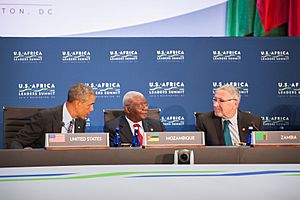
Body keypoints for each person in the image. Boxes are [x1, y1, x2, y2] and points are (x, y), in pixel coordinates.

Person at [9, 83, 96, 149]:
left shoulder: (81, 122)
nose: (92, 109)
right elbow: (16, 142)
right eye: (90, 105)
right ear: (78, 103)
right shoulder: (45, 117)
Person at [196, 84, 263, 146]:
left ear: (235, 104)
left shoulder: (254, 122)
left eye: (221, 101)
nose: (215, 105)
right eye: (215, 100)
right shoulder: (204, 121)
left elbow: (261, 148)